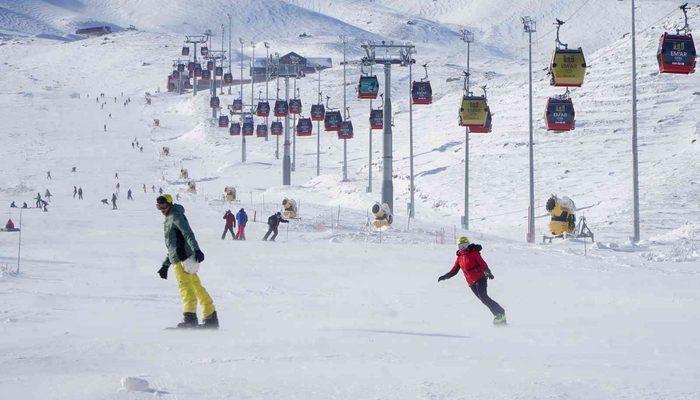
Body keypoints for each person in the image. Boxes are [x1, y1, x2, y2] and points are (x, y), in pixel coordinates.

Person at [155, 194, 218, 329]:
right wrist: (165, 265)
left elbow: (187, 233)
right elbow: (173, 246)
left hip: (182, 260)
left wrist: (197, 250)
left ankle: (190, 318)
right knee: (196, 287)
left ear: (170, 204)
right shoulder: (171, 217)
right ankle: (210, 315)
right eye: (158, 206)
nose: (161, 209)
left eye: (164, 206)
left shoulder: (175, 216)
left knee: (186, 288)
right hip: (182, 259)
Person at [438, 237, 506, 325]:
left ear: (468, 245)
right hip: (471, 282)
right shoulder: (459, 258)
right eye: (461, 246)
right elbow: (454, 270)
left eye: (464, 245)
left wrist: (487, 271)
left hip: (480, 278)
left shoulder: (473, 253)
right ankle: (498, 315)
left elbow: (482, 263)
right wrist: (445, 276)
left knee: (484, 297)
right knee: (483, 300)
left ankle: (500, 313)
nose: (463, 248)